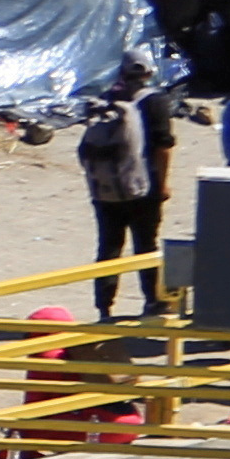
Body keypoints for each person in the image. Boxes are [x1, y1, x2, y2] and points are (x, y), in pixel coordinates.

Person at [74, 60, 174, 312]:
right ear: (149, 73)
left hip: (105, 189)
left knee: (108, 246)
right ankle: (154, 301)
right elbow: (163, 146)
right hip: (143, 187)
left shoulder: (105, 100)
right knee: (146, 246)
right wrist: (162, 185)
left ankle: (104, 306)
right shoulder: (155, 102)